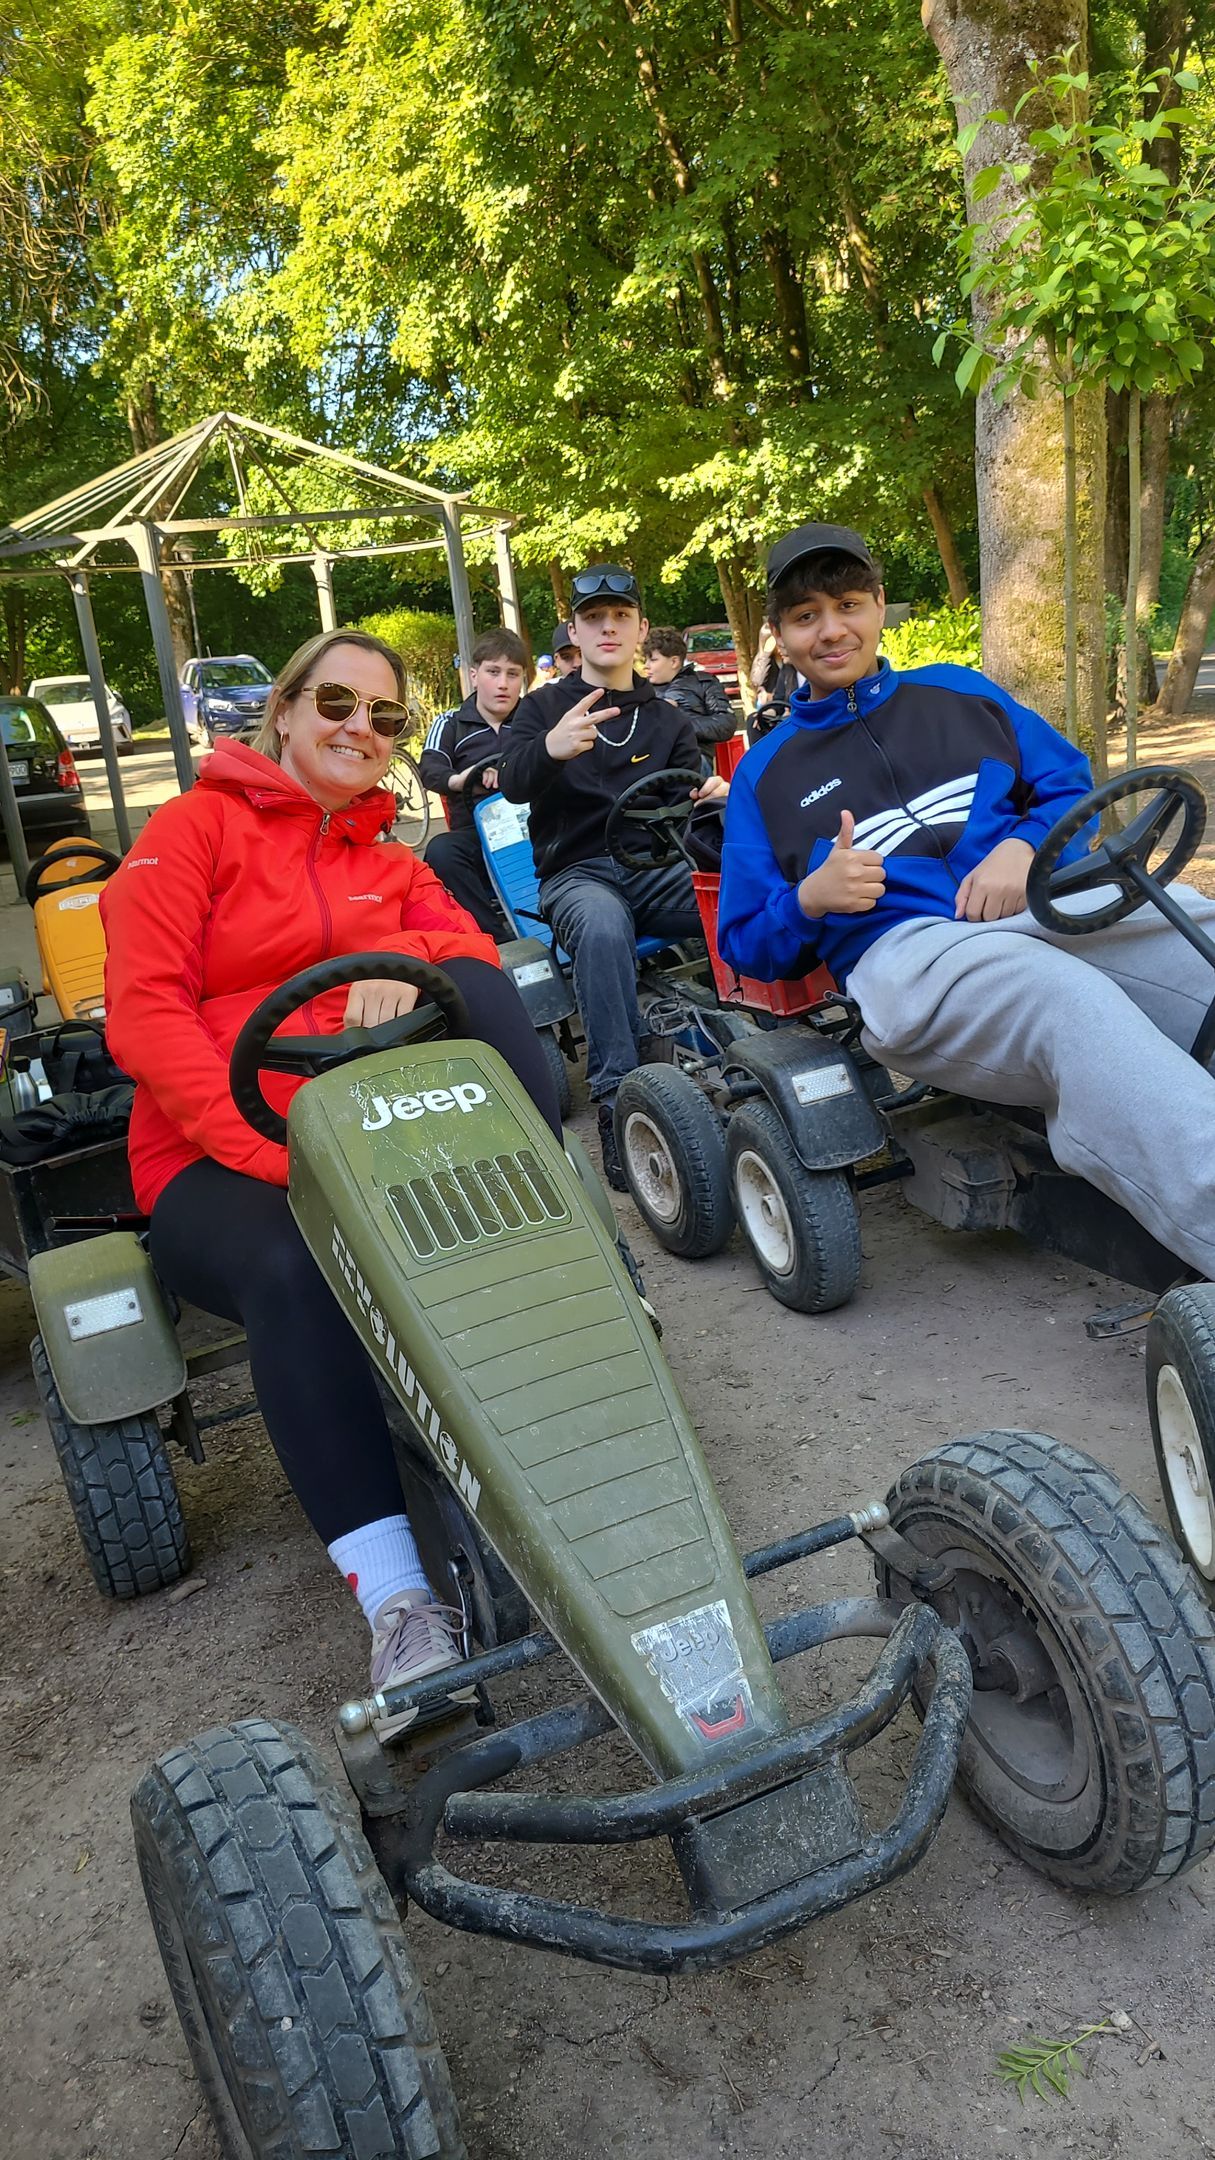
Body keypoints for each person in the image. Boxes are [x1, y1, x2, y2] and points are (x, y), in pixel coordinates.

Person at [101, 629, 562, 1739]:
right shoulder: (189, 832)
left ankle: (567, 1255)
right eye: (337, 704)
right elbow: (146, 1018)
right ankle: (400, 1605)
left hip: (370, 1118)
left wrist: (411, 970)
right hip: (220, 1152)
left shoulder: (389, 856)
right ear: (285, 708)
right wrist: (278, 1156)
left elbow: (470, 947)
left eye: (385, 716)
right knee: (296, 1261)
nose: (361, 728)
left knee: (485, 991)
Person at [717, 522, 1215, 1280]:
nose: (831, 630)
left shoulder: (960, 691)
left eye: (847, 605)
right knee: (1065, 1004)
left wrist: (1025, 847)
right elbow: (745, 942)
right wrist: (809, 899)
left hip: (1043, 902)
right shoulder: (764, 774)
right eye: (805, 616)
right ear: (779, 637)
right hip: (910, 957)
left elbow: (1065, 782)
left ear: (878, 605)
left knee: (1193, 925)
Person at [497, 565, 727, 1188]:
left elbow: (686, 813)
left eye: (621, 617)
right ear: (574, 632)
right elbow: (511, 781)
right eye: (593, 618)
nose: (608, 628)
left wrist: (711, 799)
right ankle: (621, 1101)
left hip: (655, 869)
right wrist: (550, 749)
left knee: (741, 895)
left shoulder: (669, 720)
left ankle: (758, 1040)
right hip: (577, 875)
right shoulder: (543, 708)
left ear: (641, 629)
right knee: (601, 927)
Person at [419, 627, 527, 936]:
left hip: (538, 829)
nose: (503, 684)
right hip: (477, 836)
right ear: (474, 675)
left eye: (512, 674)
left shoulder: (535, 719)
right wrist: (462, 779)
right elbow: (430, 769)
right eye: (493, 672)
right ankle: (496, 940)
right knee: (441, 851)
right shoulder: (450, 723)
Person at [642, 627, 738, 753]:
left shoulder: (704, 683)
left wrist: (677, 724)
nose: (646, 666)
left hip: (693, 755)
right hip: (652, 756)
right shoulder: (641, 690)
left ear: (674, 662)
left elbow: (726, 724)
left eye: (653, 660)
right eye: (645, 660)